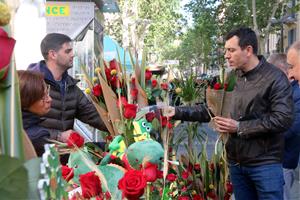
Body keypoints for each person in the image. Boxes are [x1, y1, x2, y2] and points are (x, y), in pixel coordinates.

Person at [165, 27, 294, 199]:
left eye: (231, 50)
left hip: (265, 165)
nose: (226, 55)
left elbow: (283, 119)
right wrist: (176, 111)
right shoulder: (232, 77)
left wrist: (239, 127)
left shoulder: (275, 78)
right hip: (237, 164)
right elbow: (212, 110)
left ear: (248, 50)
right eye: (226, 50)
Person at [27, 33, 107, 137]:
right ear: (53, 54)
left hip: (64, 152)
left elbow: (92, 115)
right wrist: (59, 136)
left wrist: (122, 125)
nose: (73, 54)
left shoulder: (70, 86)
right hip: (37, 152)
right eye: (68, 51)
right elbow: (22, 128)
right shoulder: (31, 84)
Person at [18, 70, 73, 156]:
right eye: (43, 98)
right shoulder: (37, 138)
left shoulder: (15, 126)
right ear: (25, 102)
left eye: (47, 92)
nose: (49, 99)